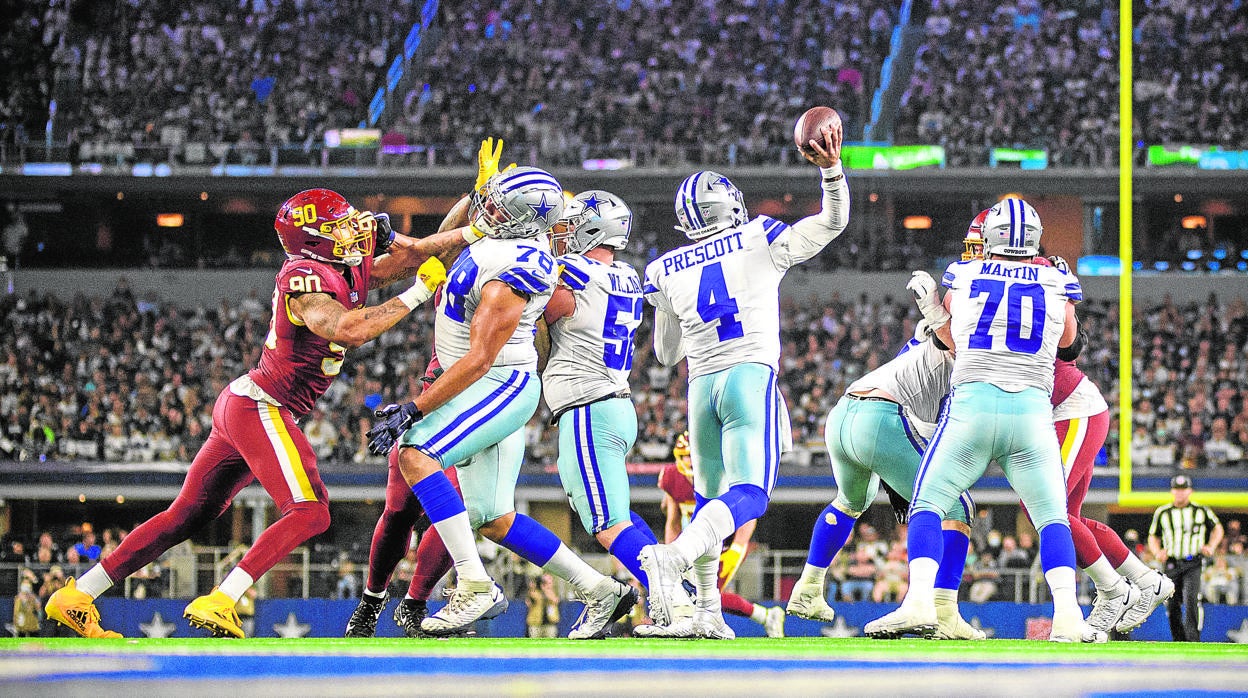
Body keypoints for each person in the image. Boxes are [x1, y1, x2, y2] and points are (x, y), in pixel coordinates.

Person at [45, 188, 475, 638]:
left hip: (245, 402)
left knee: (186, 515)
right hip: (262, 405)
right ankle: (224, 598)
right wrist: (418, 294)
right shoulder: (305, 278)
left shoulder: (339, 266)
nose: (353, 231)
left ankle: (79, 594)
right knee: (311, 511)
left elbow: (426, 253)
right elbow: (350, 328)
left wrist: (474, 200)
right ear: (314, 240)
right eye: (339, 227)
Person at [366, 165, 635, 639]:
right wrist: (400, 244)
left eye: (496, 206)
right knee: (492, 515)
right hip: (479, 381)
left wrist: (415, 408)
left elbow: (478, 358)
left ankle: (474, 585)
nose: (486, 210)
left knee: (415, 453)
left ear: (521, 220)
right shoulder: (498, 239)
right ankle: (598, 589)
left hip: (496, 383)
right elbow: (441, 243)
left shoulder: (521, 268)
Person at [636, 119, 849, 638]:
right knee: (750, 495)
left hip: (699, 386)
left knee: (710, 499)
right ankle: (675, 559)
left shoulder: (663, 268)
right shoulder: (759, 236)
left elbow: (665, 355)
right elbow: (831, 224)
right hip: (748, 377)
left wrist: (679, 313)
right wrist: (832, 171)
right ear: (728, 205)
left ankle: (707, 610)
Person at [867, 198, 1103, 643]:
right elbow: (1069, 345)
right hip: (1032, 413)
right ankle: (1069, 616)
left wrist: (934, 311)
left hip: (973, 408)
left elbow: (950, 338)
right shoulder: (1057, 278)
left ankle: (919, 600)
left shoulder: (965, 272)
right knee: (1052, 517)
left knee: (928, 502)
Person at [961, 211, 1175, 634]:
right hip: (1060, 409)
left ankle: (1116, 588)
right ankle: (1146, 581)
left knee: (1045, 508)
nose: (974, 253)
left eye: (980, 242)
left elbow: (1071, 347)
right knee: (1067, 516)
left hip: (1070, 408)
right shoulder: (1022, 275)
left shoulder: (1036, 273)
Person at [786, 319, 982, 640]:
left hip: (842, 416)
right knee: (956, 506)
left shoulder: (920, 350)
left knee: (851, 502)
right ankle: (939, 609)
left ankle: (808, 587)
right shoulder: (964, 360)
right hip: (880, 418)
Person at [346, 196, 473, 639]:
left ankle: (415, 604)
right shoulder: (471, 270)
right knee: (399, 511)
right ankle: (372, 600)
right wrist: (472, 200)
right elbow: (432, 250)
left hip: (481, 405)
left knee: (460, 507)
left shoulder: (518, 274)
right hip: (437, 397)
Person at [539, 189, 658, 587]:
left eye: (571, 225)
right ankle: (679, 585)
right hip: (613, 404)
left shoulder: (572, 273)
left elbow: (541, 314)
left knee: (605, 522)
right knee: (614, 512)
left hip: (589, 405)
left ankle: (671, 593)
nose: (563, 233)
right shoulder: (627, 275)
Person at [659, 432, 785, 637]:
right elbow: (672, 521)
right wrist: (671, 553)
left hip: (725, 542)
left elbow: (748, 514)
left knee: (704, 595)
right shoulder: (672, 477)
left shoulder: (721, 472)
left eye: (692, 455)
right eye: (684, 456)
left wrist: (738, 547)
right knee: (701, 594)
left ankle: (763, 616)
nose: (689, 462)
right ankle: (766, 616)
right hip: (694, 544)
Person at [1149, 474, 1224, 641]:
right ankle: (1178, 638)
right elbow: (1153, 535)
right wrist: (1157, 552)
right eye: (1177, 489)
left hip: (1193, 562)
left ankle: (1192, 638)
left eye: (1183, 490)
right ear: (1172, 491)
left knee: (1191, 598)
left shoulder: (1201, 510)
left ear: (1190, 491)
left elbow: (1218, 528)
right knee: (1172, 601)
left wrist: (1211, 546)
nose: (1180, 493)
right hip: (1171, 563)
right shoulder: (1163, 512)